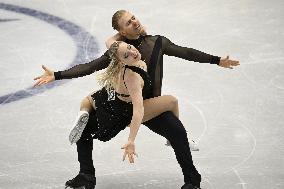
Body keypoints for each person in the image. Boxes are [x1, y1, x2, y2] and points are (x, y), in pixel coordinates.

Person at [34, 10, 239, 189]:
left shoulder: (156, 42)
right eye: (128, 23)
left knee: (176, 131)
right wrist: (58, 75)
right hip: (120, 106)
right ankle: (86, 176)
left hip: (148, 106)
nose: (135, 22)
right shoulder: (119, 51)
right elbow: (91, 66)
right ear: (121, 32)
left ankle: (192, 181)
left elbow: (186, 52)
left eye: (134, 18)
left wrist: (217, 60)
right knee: (84, 129)